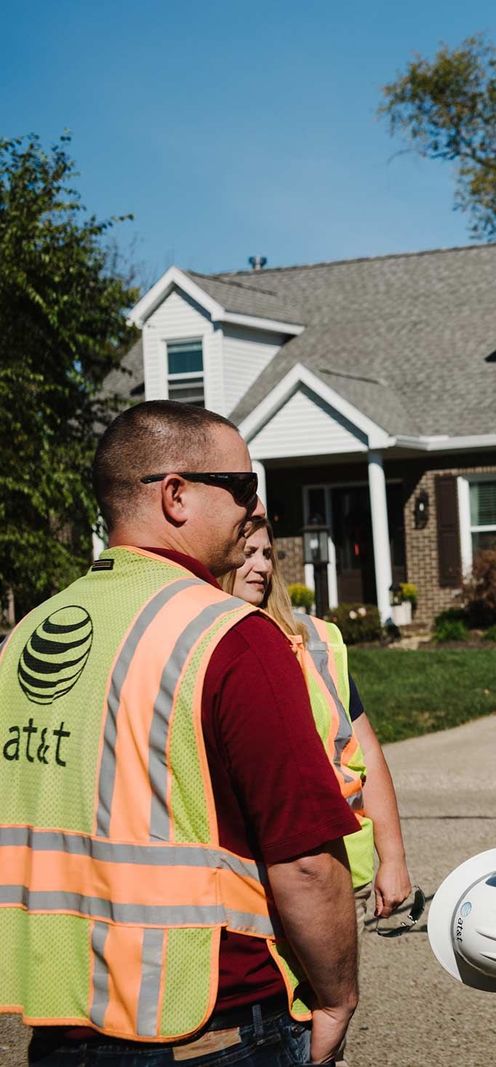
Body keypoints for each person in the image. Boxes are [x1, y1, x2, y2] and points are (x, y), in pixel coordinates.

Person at [0, 401, 359, 1065]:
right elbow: (306, 859)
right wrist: (338, 995)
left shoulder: (26, 637)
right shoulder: (231, 637)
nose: (253, 507)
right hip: (209, 1023)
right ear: (175, 494)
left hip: (60, 1025)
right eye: (242, 485)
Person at [223, 517, 416, 926]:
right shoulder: (202, 643)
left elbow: (368, 758)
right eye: (248, 554)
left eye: (267, 554)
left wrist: (393, 858)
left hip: (343, 869)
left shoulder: (319, 640)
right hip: (247, 881)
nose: (262, 567)